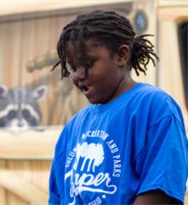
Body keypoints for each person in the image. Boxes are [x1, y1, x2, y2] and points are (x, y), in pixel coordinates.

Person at [49, 10, 188, 205]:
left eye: (87, 63)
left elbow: (160, 190)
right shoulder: (73, 126)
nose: (78, 75)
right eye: (73, 68)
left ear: (121, 55)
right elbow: (58, 196)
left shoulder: (153, 107)